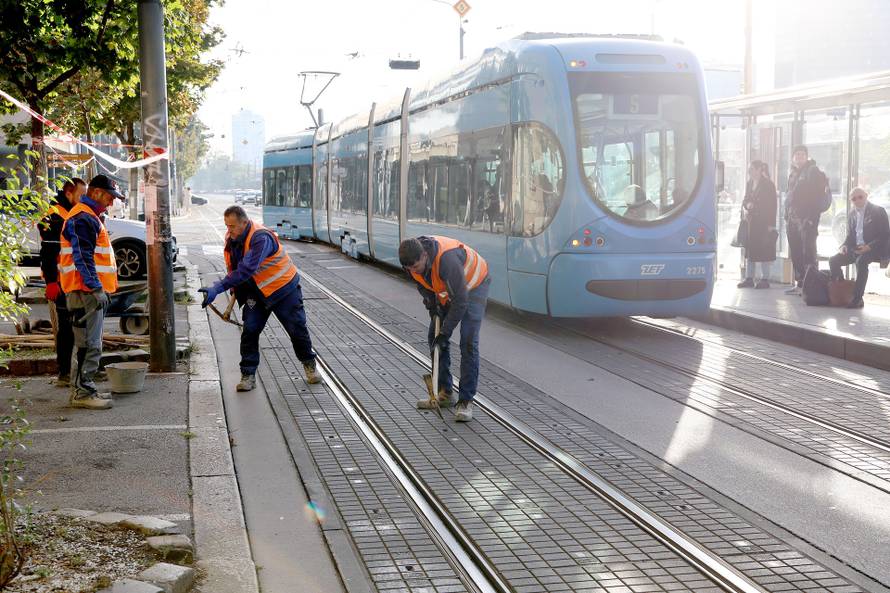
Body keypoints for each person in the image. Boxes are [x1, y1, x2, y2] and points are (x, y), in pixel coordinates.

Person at [199, 206, 321, 391]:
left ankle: (309, 364)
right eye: (226, 225)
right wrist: (233, 289)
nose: (228, 230)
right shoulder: (232, 238)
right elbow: (234, 267)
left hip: (283, 289)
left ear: (244, 223)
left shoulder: (261, 237)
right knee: (250, 330)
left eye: (232, 226)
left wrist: (218, 287)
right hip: (255, 293)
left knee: (296, 329)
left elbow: (247, 269)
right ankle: (248, 375)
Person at [399, 235, 490, 422]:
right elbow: (425, 288)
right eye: (409, 269)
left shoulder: (446, 260)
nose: (413, 271)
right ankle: (446, 392)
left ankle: (466, 401)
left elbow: (461, 301)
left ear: (424, 255)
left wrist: (445, 332)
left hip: (474, 286)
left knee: (468, 342)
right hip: (450, 290)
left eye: (416, 267)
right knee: (434, 338)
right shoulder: (411, 264)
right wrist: (434, 310)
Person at [60, 174, 124, 410]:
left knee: (88, 343)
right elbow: (82, 257)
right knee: (89, 344)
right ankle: (82, 392)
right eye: (109, 197)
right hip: (85, 291)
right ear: (96, 192)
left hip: (85, 290)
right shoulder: (83, 218)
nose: (110, 202)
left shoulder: (88, 217)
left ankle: (84, 389)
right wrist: (96, 288)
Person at [40, 177, 86, 387]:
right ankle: (65, 372)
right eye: (81, 194)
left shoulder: (72, 213)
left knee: (81, 326)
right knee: (67, 329)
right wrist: (51, 281)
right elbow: (48, 253)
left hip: (75, 280)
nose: (83, 198)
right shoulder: (55, 216)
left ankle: (81, 371)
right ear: (69, 193)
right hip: (62, 281)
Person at [828, 188, 890, 308]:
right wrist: (844, 246)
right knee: (833, 260)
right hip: (857, 248)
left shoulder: (878, 211)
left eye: (860, 197)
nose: (857, 200)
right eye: (853, 199)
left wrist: (868, 247)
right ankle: (842, 289)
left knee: (861, 262)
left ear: (866, 195)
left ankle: (857, 298)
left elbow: (885, 235)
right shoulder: (851, 213)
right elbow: (850, 236)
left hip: (874, 248)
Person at [784, 146, 826, 294]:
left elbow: (818, 196)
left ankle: (811, 286)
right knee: (796, 252)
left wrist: (812, 218)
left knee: (808, 253)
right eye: (796, 155)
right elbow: (789, 197)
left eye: (802, 154)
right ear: (793, 158)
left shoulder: (812, 171)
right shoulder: (793, 174)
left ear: (807, 157)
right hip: (792, 219)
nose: (799, 157)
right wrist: (786, 216)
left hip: (807, 220)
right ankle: (800, 284)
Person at [737, 161, 778, 289]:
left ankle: (765, 279)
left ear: (760, 169)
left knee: (764, 250)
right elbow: (745, 199)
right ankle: (749, 278)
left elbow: (773, 206)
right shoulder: (749, 183)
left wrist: (771, 224)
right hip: (751, 222)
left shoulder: (768, 185)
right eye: (749, 169)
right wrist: (747, 204)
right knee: (750, 250)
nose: (750, 171)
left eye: (752, 169)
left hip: (764, 223)